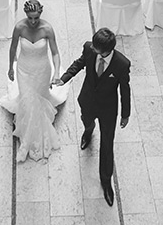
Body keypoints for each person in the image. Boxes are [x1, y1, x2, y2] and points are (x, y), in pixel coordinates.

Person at [53, 27, 131, 207]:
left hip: (108, 109)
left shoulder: (121, 64)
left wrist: (125, 114)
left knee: (107, 143)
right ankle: (88, 131)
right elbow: (79, 63)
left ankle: (105, 181)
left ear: (107, 50)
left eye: (97, 49)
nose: (93, 50)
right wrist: (64, 78)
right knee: (86, 121)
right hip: (87, 99)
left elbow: (125, 90)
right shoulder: (89, 48)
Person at [0, 0, 69, 162]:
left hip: (43, 70)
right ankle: (28, 133)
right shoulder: (19, 28)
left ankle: (32, 131)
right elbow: (13, 48)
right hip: (24, 70)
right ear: (26, 15)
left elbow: (55, 53)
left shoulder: (47, 29)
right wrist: (10, 68)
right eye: (30, 17)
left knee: (38, 100)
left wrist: (56, 72)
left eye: (36, 17)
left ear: (41, 14)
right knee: (28, 101)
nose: (33, 21)